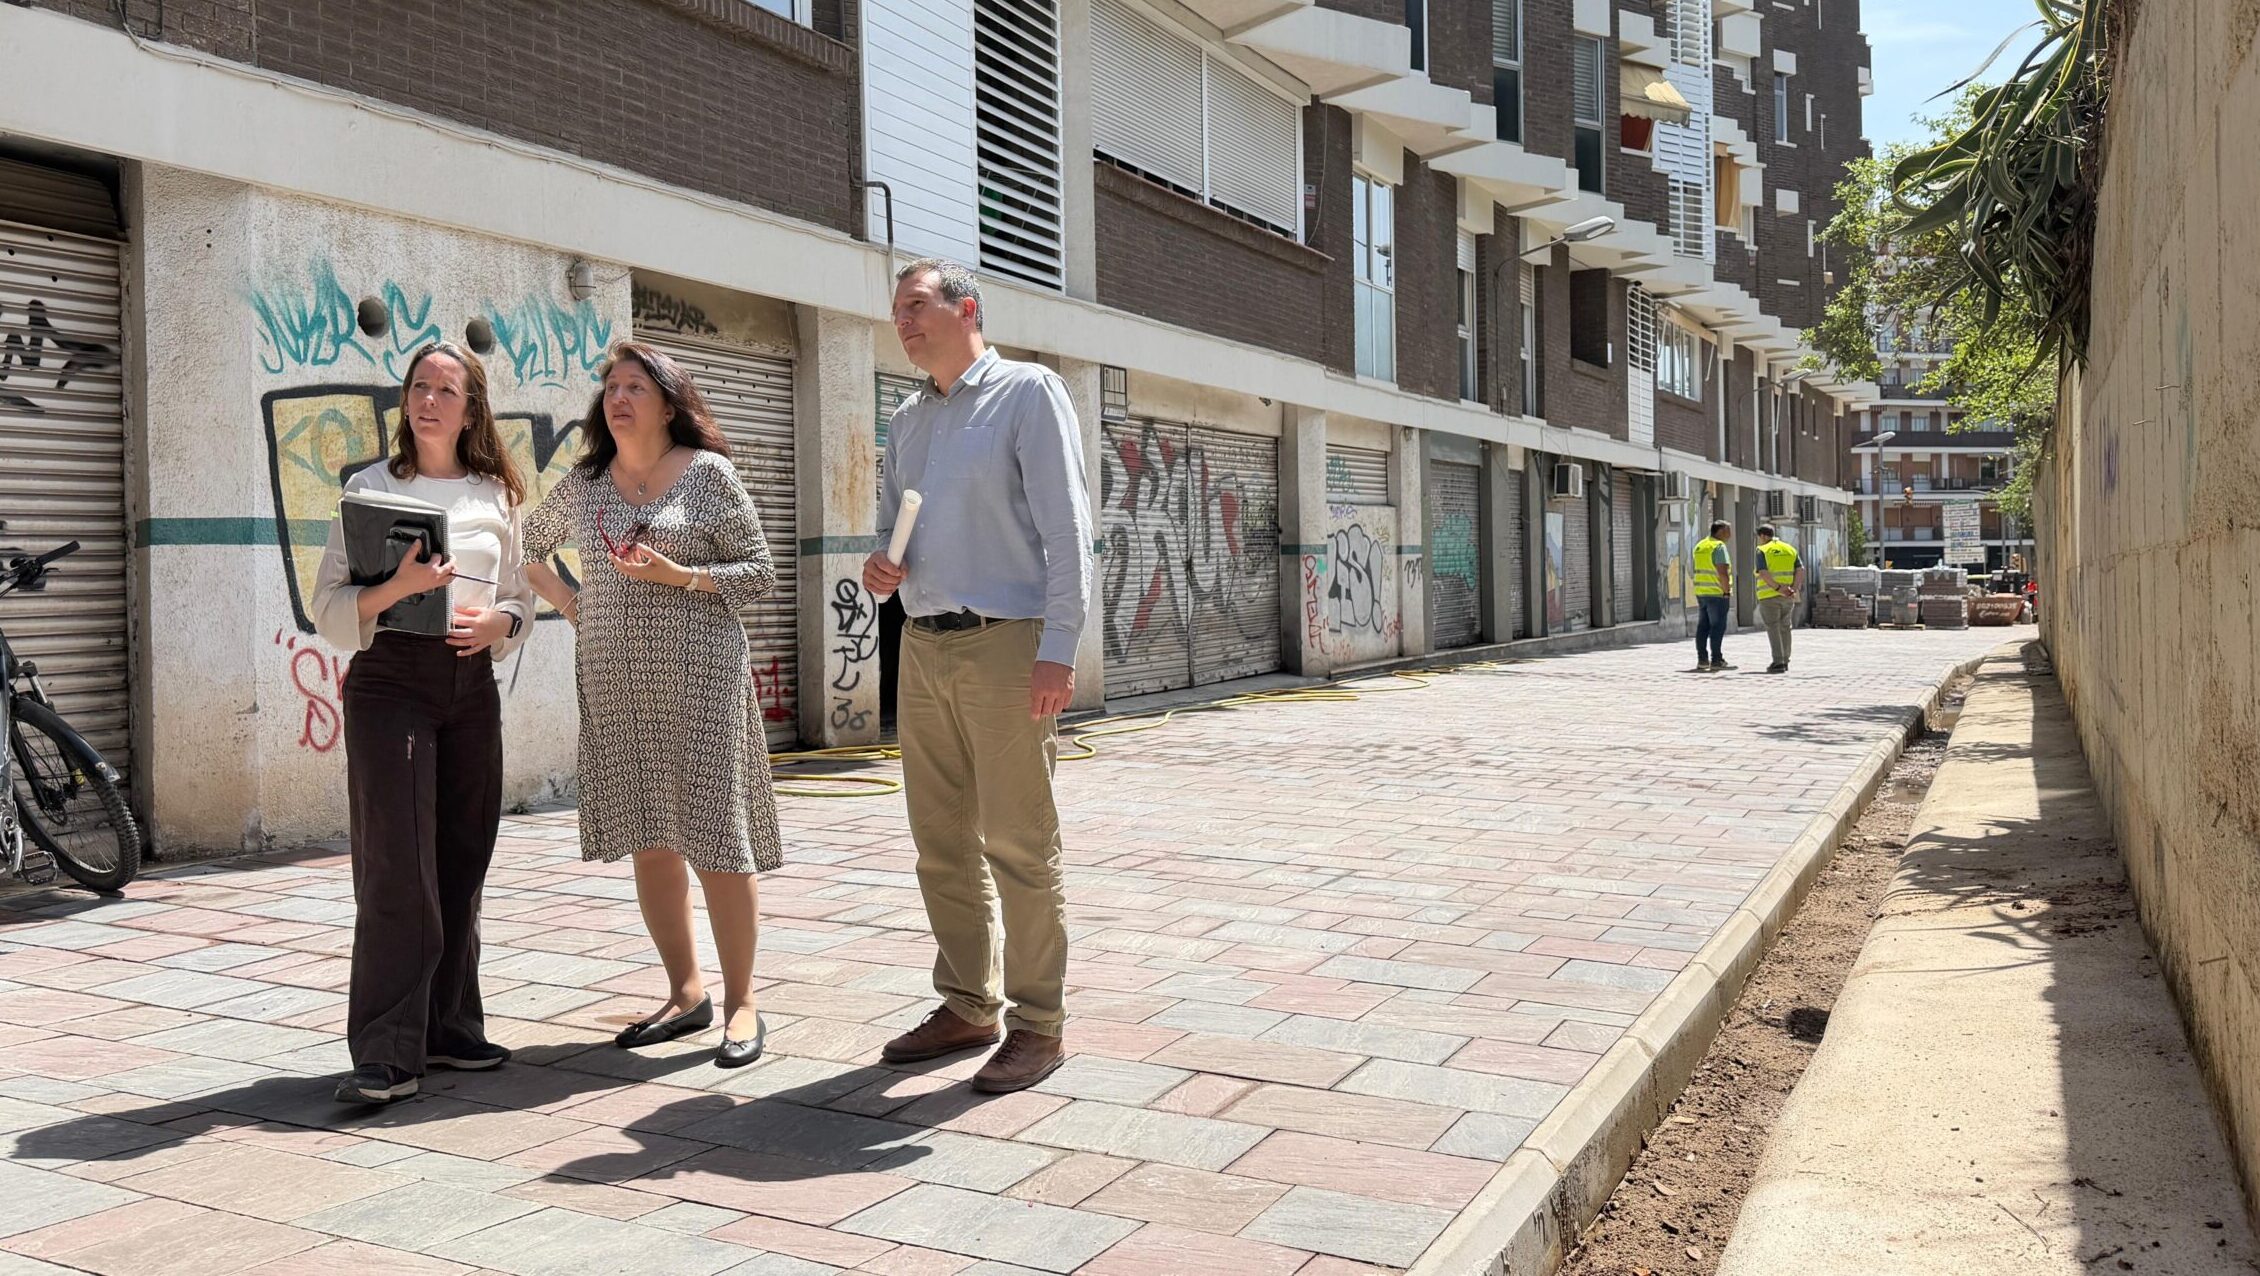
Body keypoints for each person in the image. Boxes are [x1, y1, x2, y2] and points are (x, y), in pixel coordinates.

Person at [864, 258, 1093, 1093]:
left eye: (917, 305)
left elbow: (1069, 530)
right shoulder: (908, 420)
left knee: (1020, 842)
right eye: (897, 311)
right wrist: (882, 568)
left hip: (1009, 642)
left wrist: (1059, 647)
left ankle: (1040, 1023)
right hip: (924, 643)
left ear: (968, 309)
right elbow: (895, 529)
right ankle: (969, 1001)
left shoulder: (1029, 394)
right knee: (940, 840)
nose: (904, 321)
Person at [523, 342, 782, 1069]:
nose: (619, 397)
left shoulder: (709, 476)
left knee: (717, 837)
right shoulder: (587, 483)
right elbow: (529, 544)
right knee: (651, 837)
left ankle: (742, 1004)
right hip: (615, 679)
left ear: (670, 404)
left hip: (702, 674)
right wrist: (574, 605)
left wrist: (684, 576)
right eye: (611, 386)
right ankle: (685, 992)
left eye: (635, 385)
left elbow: (759, 572)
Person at [312, 341, 535, 1105]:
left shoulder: (496, 494)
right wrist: (399, 587)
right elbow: (331, 610)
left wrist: (498, 623)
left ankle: (447, 1028)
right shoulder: (368, 489)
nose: (432, 399)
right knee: (397, 868)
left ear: (471, 408)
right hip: (390, 681)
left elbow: (521, 603)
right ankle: (385, 1051)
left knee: (463, 856)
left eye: (449, 389)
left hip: (471, 685)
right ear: (405, 402)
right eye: (420, 386)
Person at [1754, 524, 1804, 673]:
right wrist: (1793, 589)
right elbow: (1800, 570)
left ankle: (1778, 661)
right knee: (1785, 627)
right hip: (1788, 597)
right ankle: (1785, 659)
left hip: (1769, 596)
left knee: (1773, 627)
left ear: (1762, 536)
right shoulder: (1789, 549)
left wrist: (1777, 588)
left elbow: (1763, 572)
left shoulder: (1762, 550)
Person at [1693, 520, 1735, 673]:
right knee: (1717, 627)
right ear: (1721, 531)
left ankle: (1702, 660)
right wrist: (1726, 591)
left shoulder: (1700, 545)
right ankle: (1716, 659)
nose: (1730, 533)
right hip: (1717, 593)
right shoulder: (1719, 547)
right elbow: (1722, 572)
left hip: (1701, 592)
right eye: (1728, 530)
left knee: (1702, 627)